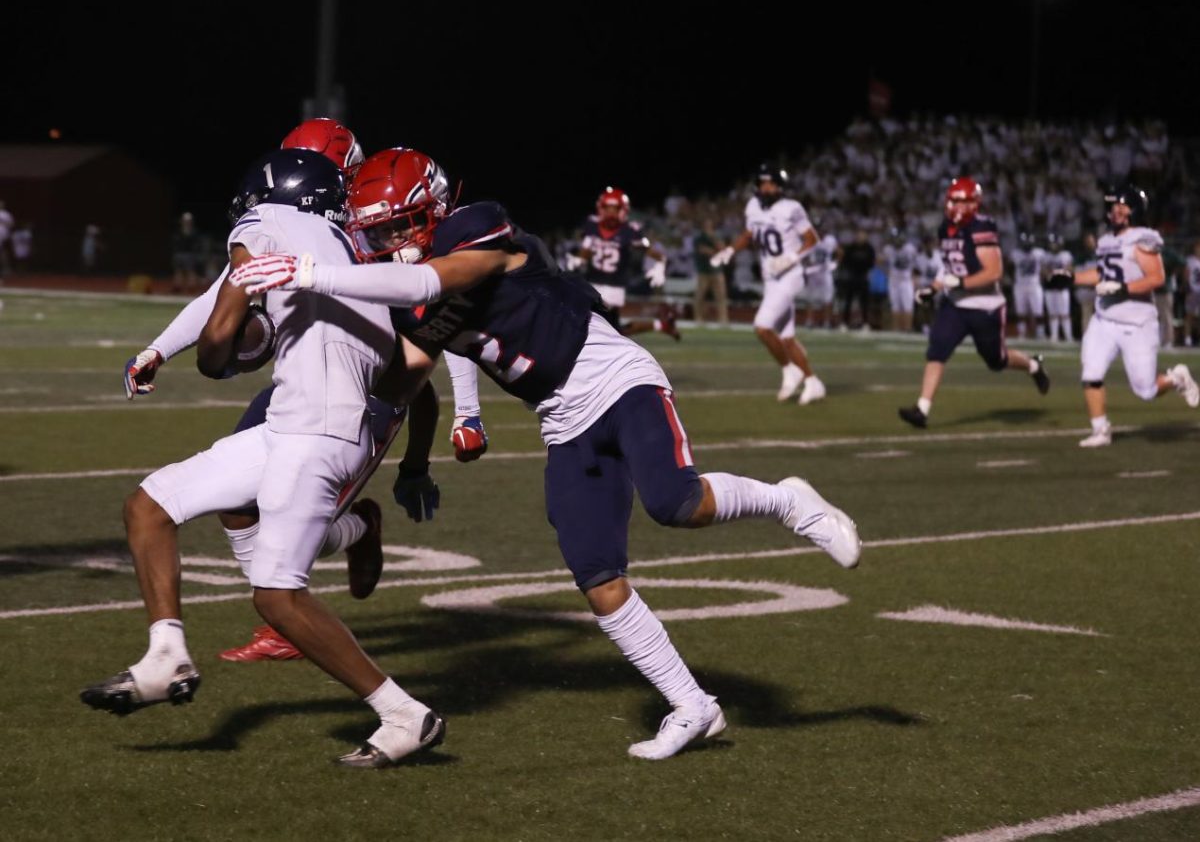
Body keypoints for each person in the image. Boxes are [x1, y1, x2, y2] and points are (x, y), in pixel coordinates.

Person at [231, 147, 862, 761]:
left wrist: (316, 273)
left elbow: (441, 277)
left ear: (430, 209)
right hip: (561, 418)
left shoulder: (474, 228)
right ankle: (691, 704)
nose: (385, 240)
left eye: (394, 225)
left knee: (676, 502)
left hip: (616, 377)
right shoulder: (410, 295)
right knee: (597, 576)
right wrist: (326, 389)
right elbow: (407, 374)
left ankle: (788, 501)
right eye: (376, 231)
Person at [81, 149, 447, 769]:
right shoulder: (354, 249)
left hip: (319, 432)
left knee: (277, 596)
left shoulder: (264, 226)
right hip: (297, 421)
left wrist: (215, 351)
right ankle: (166, 654)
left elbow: (226, 318)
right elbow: (403, 364)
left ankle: (405, 714)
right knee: (150, 505)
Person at [122, 119, 469, 663]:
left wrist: (457, 422)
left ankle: (317, 581)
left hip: (372, 395)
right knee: (237, 507)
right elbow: (225, 288)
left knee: (293, 527)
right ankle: (309, 581)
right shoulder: (314, 222)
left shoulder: (383, 218)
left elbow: (442, 331)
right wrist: (160, 348)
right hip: (307, 381)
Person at [898, 177, 1051, 429]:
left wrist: (960, 283)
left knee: (997, 361)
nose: (957, 207)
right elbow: (948, 267)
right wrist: (933, 289)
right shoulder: (945, 228)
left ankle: (1033, 365)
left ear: (975, 203)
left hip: (985, 306)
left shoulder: (982, 228)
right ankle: (921, 410)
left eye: (963, 201)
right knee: (937, 349)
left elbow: (994, 272)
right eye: (954, 200)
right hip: (956, 305)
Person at [1055, 186, 1198, 447]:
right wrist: (1072, 277)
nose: (1117, 211)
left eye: (1123, 206)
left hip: (1137, 322)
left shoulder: (1143, 238)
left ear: (1136, 210)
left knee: (1146, 391)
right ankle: (1100, 430)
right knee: (1091, 372)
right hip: (1105, 319)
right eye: (1114, 206)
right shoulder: (1107, 240)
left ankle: (1177, 378)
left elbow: (1156, 278)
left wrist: (1123, 288)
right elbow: (1103, 275)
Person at [711, 165, 827, 404]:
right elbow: (749, 233)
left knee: (762, 327)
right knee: (786, 338)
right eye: (763, 184)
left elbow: (812, 239)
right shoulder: (752, 206)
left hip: (791, 275)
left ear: (779, 187)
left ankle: (790, 370)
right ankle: (813, 382)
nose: (767, 188)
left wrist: (792, 257)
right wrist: (731, 249)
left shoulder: (791, 208)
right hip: (770, 278)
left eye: (771, 184)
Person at [573, 187, 678, 340]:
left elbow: (651, 251)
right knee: (613, 330)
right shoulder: (592, 225)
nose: (610, 213)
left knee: (599, 330)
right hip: (592, 285)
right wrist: (577, 261)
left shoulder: (629, 230)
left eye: (614, 209)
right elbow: (585, 252)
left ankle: (661, 325)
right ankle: (662, 325)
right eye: (607, 208)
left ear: (623, 210)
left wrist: (661, 264)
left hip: (612, 289)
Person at [691, 216, 728, 327]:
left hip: (717, 270)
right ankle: (698, 318)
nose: (708, 227)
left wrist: (713, 239)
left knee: (721, 295)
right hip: (704, 270)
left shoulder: (716, 236)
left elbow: (722, 248)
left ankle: (723, 319)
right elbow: (703, 250)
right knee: (700, 295)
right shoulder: (699, 238)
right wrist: (715, 251)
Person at [1012, 232, 1046, 339]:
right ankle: (1022, 333)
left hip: (1035, 285)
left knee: (1038, 311)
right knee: (1020, 311)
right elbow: (1009, 266)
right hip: (1020, 285)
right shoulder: (1016, 253)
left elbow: (1045, 266)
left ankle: (1040, 333)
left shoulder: (1039, 253)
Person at [1042, 233, 1074, 343]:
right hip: (1050, 288)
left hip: (1062, 287)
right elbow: (1044, 273)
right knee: (1053, 314)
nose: (1053, 246)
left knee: (1065, 314)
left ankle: (1068, 336)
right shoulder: (1046, 256)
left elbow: (1069, 270)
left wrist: (1055, 272)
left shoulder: (1066, 255)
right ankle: (1054, 336)